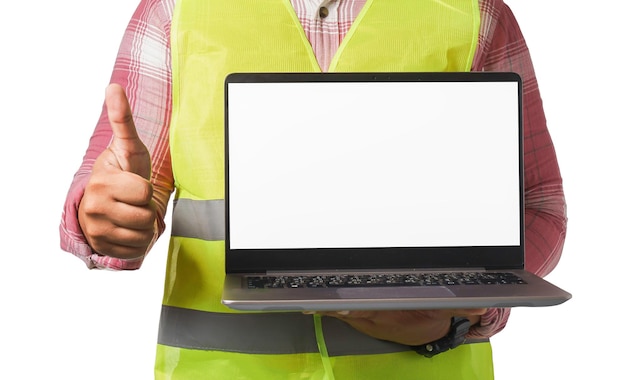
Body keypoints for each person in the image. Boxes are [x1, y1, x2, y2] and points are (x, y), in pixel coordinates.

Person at [60, 0, 567, 378]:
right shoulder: (177, 10)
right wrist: (103, 217)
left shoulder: (473, 12)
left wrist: (462, 318)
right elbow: (115, 180)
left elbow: (538, 204)